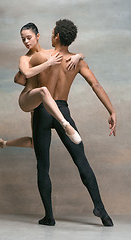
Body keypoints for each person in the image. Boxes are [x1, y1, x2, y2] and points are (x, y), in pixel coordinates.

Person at [29, 19, 116, 227]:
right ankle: (101, 210)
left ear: (57, 36)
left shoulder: (41, 56)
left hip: (43, 109)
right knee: (81, 160)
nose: (51, 34)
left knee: (43, 166)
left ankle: (49, 217)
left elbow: (23, 77)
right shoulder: (77, 62)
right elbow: (95, 84)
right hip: (62, 111)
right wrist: (111, 111)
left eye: (52, 32)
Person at [0, 23, 84, 148]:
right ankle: (66, 125)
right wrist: (48, 64)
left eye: (29, 37)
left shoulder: (50, 53)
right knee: (43, 90)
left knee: (35, 144)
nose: (26, 42)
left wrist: (78, 56)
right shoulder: (25, 58)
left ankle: (2, 143)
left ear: (37, 36)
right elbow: (26, 74)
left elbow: (67, 53)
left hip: (42, 102)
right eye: (23, 39)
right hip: (28, 98)